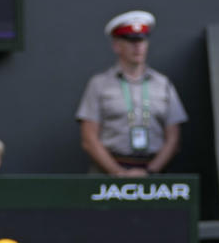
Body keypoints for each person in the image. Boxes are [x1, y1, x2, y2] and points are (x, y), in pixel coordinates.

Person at [75, 10, 188, 177]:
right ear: (116, 45)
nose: (138, 47)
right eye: (131, 41)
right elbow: (89, 139)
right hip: (108, 174)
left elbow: (173, 138)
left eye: (142, 40)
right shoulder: (99, 84)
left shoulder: (163, 84)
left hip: (153, 173)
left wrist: (150, 172)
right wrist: (118, 172)